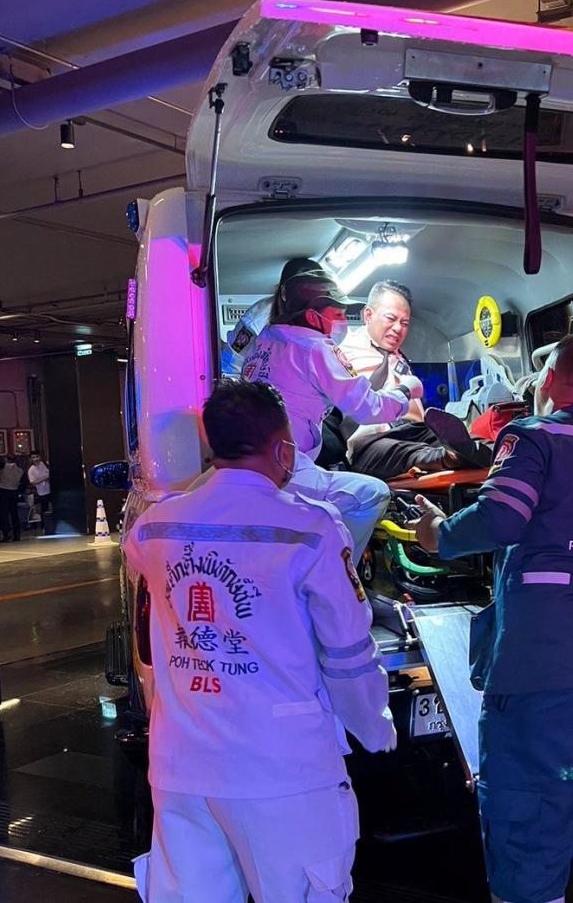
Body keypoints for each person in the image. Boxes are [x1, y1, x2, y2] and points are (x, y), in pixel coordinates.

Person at [123, 380, 396, 902]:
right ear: (283, 448)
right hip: (283, 773)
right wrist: (373, 727)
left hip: (183, 770)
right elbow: (347, 655)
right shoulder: (311, 529)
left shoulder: (155, 529)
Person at [414, 333, 573, 903]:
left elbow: (502, 516)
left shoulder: (532, 437)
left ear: (549, 380)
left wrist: (437, 535)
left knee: (530, 827)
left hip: (545, 674)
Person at [242, 270, 421, 554]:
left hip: (251, 465)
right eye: (337, 314)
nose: (341, 321)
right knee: (372, 494)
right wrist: (405, 392)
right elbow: (366, 407)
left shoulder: (265, 341)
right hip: (287, 469)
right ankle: (337, 569)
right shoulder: (316, 349)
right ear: (314, 317)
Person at [339, 280, 491, 479]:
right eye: (391, 318)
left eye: (404, 323)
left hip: (417, 430)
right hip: (372, 441)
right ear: (368, 315)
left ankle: (496, 451)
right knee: (406, 453)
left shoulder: (400, 359)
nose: (397, 328)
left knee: (471, 440)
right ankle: (449, 457)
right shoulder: (342, 353)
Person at [220, 256, 319, 377]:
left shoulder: (321, 314)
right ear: (284, 292)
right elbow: (230, 367)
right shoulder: (256, 321)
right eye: (303, 292)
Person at [0, 455, 23, 542]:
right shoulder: (20, 468)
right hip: (14, 491)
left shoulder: (3, 466)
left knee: (3, 514)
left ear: (6, 459)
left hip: (4, 491)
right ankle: (17, 535)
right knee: (14, 514)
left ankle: (6, 534)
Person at [27, 451, 51, 524]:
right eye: (33, 457)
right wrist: (44, 479)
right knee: (44, 509)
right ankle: (45, 526)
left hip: (52, 489)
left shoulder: (45, 464)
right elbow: (33, 482)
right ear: (31, 459)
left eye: (37, 456)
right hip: (42, 492)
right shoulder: (31, 470)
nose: (35, 459)